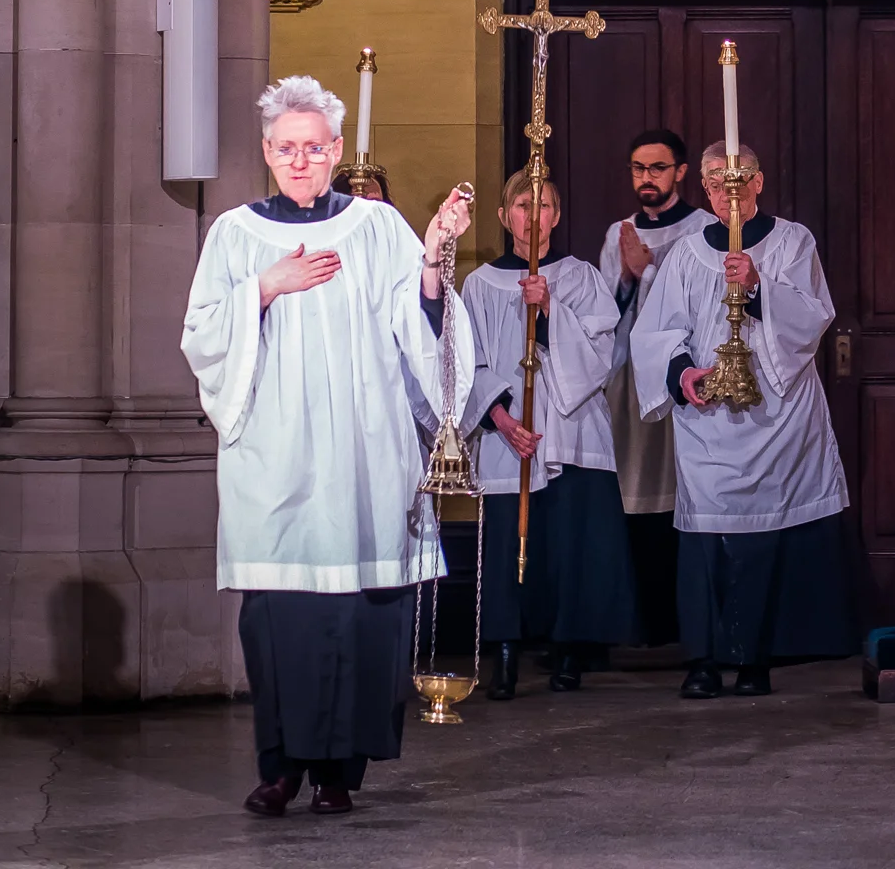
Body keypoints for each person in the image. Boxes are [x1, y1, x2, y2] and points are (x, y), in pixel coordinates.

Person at [181, 75, 474, 818]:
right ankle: (282, 767)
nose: (302, 161)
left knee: (362, 613)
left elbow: (423, 321)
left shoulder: (376, 228)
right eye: (287, 149)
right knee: (283, 617)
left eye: (316, 148)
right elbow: (202, 338)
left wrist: (436, 253)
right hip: (276, 455)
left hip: (364, 452)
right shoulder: (236, 235)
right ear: (267, 153)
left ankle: (342, 772)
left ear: (338, 149)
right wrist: (264, 289)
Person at [630, 142, 855, 697]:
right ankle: (704, 660)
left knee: (766, 539)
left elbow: (813, 316)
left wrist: (757, 287)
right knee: (706, 537)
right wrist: (682, 373)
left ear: (758, 181)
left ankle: (757, 659)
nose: (725, 189)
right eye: (713, 181)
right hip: (709, 420)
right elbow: (657, 332)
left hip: (778, 416)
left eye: (737, 177)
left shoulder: (793, 241)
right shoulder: (686, 254)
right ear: (704, 190)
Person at [462, 168, 637, 700]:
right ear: (503, 216)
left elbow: (602, 355)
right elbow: (463, 363)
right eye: (521, 206)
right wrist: (501, 418)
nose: (531, 217)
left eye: (542, 208)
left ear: (556, 218)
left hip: (572, 433)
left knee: (570, 547)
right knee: (507, 548)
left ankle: (568, 651)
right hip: (506, 438)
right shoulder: (479, 284)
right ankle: (507, 655)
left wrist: (551, 309)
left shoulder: (579, 277)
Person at [598, 129, 708, 645]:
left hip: (683, 386)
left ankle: (686, 622)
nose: (647, 178)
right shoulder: (617, 232)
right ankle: (640, 623)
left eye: (658, 168)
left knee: (683, 498)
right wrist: (626, 278)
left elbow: (700, 308)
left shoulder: (704, 229)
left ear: (681, 173)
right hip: (628, 385)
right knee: (635, 499)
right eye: (639, 168)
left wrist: (648, 272)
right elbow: (601, 319)